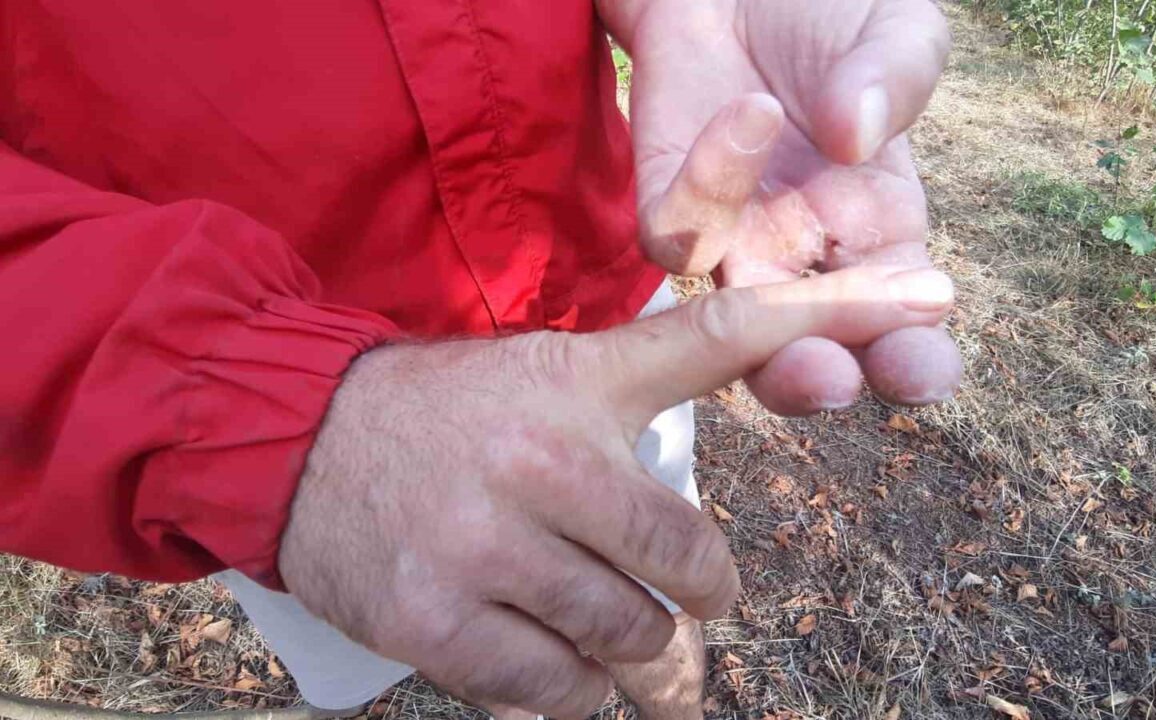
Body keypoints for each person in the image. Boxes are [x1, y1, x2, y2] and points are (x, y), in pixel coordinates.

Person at [0, 1, 960, 718]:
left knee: (652, 592)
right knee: (492, 655)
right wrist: (253, 404)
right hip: (288, 418)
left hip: (599, 299)